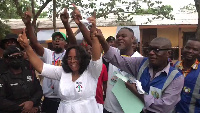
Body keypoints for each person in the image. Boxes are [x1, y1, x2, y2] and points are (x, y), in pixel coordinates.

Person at [17, 12, 102, 112]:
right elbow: (41, 67)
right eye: (69, 58)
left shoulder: (92, 71)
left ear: (83, 58)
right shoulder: (63, 72)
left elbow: (96, 57)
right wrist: (27, 47)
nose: (72, 61)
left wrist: (94, 37)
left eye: (76, 58)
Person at [97, 36, 184, 113]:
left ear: (169, 53)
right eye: (149, 49)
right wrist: (101, 39)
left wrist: (137, 93)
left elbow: (163, 107)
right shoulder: (142, 63)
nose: (151, 53)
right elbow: (117, 59)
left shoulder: (176, 78)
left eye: (156, 50)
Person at [22, 9, 71, 113]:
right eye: (54, 39)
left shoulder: (69, 55)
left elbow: (74, 43)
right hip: (48, 99)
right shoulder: (48, 53)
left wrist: (66, 23)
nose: (57, 40)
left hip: (65, 99)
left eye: (60, 39)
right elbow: (35, 43)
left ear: (65, 43)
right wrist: (28, 24)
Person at [0, 45, 43, 113]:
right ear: (7, 60)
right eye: (13, 57)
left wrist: (32, 102)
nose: (17, 58)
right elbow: (1, 101)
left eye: (19, 56)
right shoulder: (3, 78)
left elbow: (39, 91)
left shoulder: (30, 73)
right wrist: (24, 108)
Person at [173, 38, 200, 113]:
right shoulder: (175, 66)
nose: (190, 51)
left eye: (195, 49)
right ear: (183, 48)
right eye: (188, 48)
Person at [85, 44, 108, 113]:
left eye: (91, 50)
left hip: (98, 99)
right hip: (85, 101)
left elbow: (105, 83)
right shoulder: (81, 66)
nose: (89, 51)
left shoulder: (103, 66)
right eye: (87, 50)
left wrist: (105, 97)